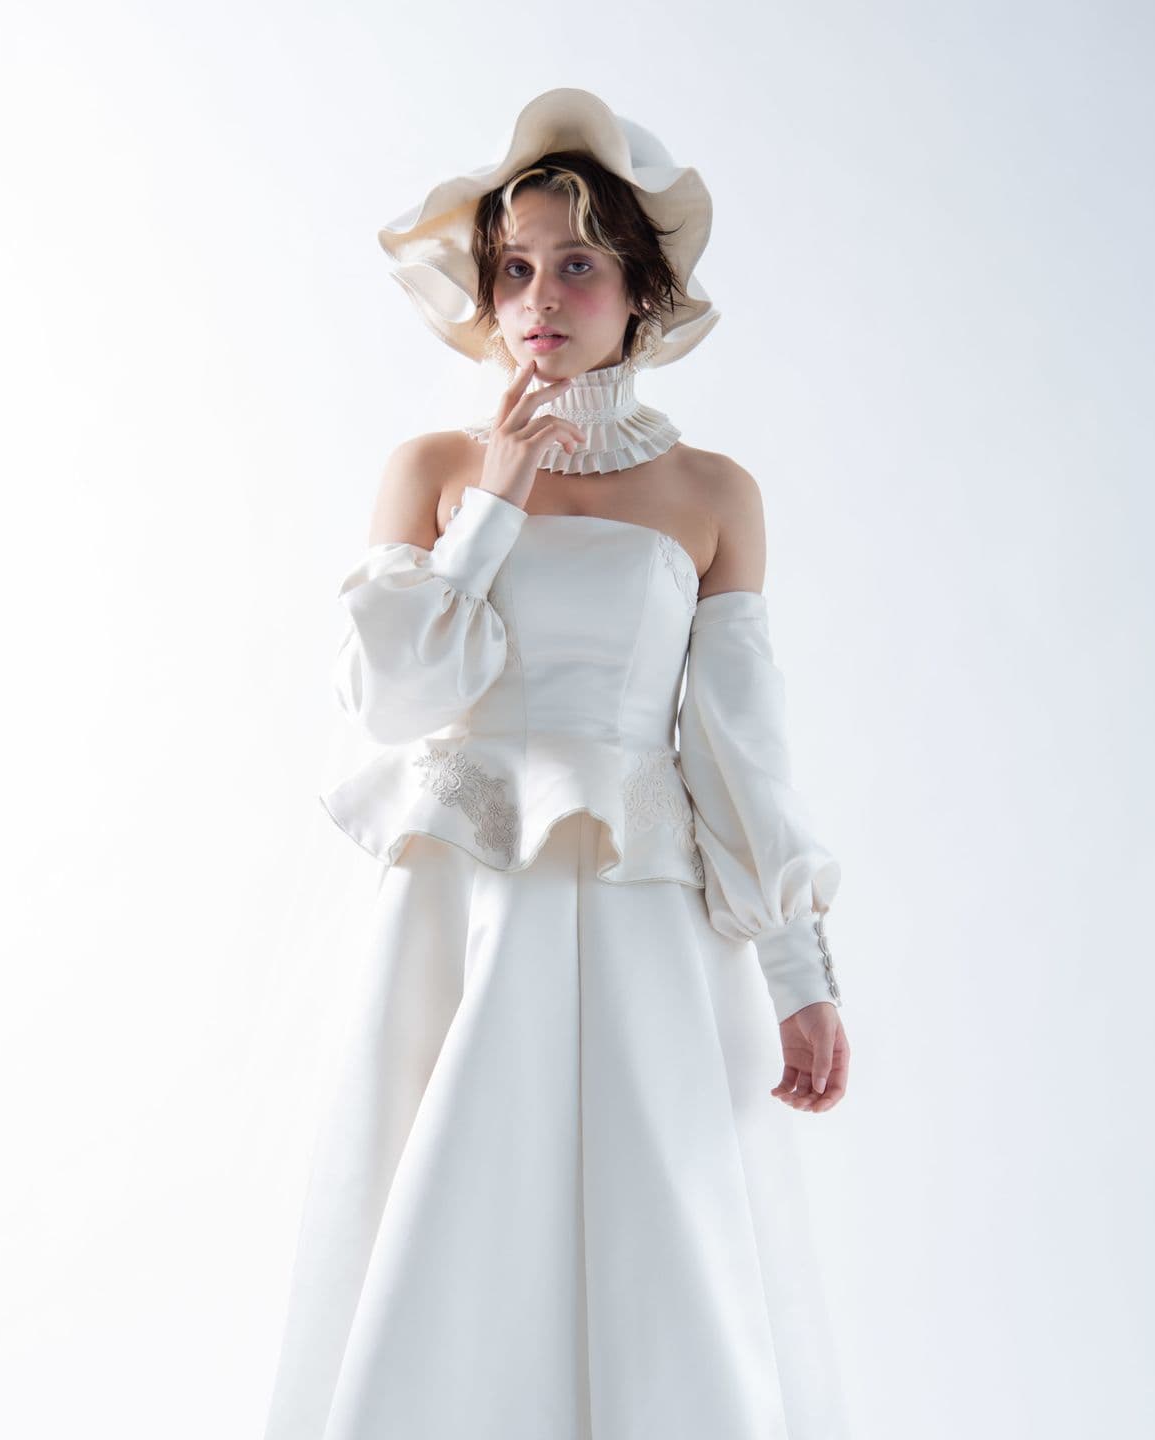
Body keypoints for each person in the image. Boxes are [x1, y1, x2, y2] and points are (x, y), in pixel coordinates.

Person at [262, 87, 852, 1439]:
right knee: (452, 1208)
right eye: (515, 268)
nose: (540, 298)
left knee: (658, 1225)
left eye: (578, 264)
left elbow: (740, 747)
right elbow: (394, 699)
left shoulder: (713, 494)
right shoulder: (433, 468)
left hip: (643, 914)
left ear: (642, 291)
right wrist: (494, 505)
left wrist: (800, 974)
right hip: (461, 903)